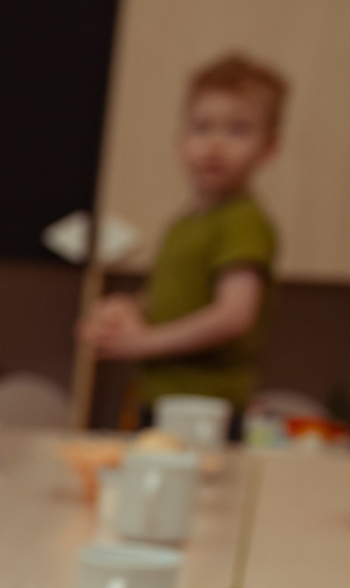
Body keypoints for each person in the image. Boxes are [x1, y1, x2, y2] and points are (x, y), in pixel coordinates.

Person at [78, 53, 286, 418]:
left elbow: (234, 314)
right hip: (160, 395)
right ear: (181, 140)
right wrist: (128, 309)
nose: (215, 145)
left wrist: (147, 342)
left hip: (205, 406)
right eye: (203, 128)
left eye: (238, 130)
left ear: (268, 147)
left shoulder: (243, 221)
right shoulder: (185, 224)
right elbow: (174, 295)